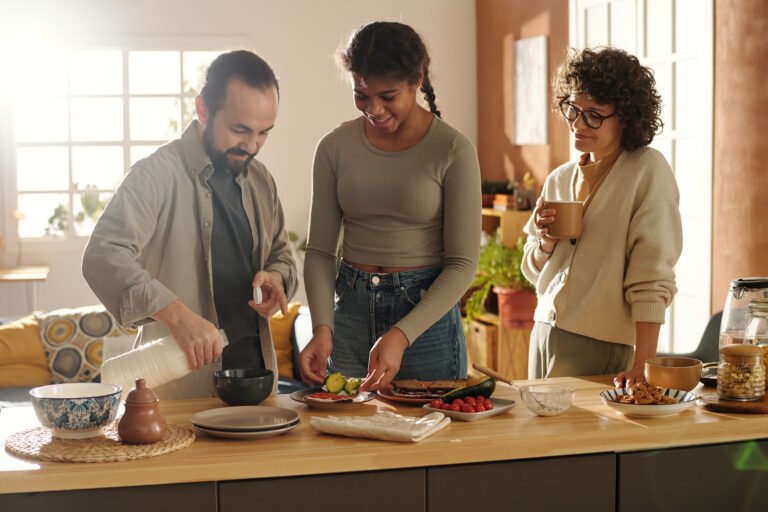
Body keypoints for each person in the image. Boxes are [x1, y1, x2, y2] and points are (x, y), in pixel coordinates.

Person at [83, 50, 297, 399]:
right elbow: (102, 255)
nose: (252, 145)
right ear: (202, 110)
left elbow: (282, 254)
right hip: (178, 389)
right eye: (240, 129)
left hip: (259, 382)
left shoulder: (261, 180)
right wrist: (178, 316)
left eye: (264, 133)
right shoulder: (154, 175)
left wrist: (277, 277)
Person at [299, 21, 481, 392]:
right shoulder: (334, 148)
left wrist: (402, 334)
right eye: (362, 95)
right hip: (349, 315)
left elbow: (462, 265)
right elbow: (319, 251)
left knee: (433, 446)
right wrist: (322, 327)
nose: (375, 109)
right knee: (348, 440)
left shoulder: (453, 150)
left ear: (417, 80)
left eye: (388, 96)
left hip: (426, 322)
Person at [520, 47, 682, 388]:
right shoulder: (560, 178)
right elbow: (535, 271)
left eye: (594, 115)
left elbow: (651, 276)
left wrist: (644, 363)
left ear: (626, 116)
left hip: (599, 343)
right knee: (541, 438)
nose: (577, 124)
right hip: (543, 332)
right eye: (573, 110)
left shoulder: (647, 171)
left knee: (580, 442)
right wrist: (545, 243)